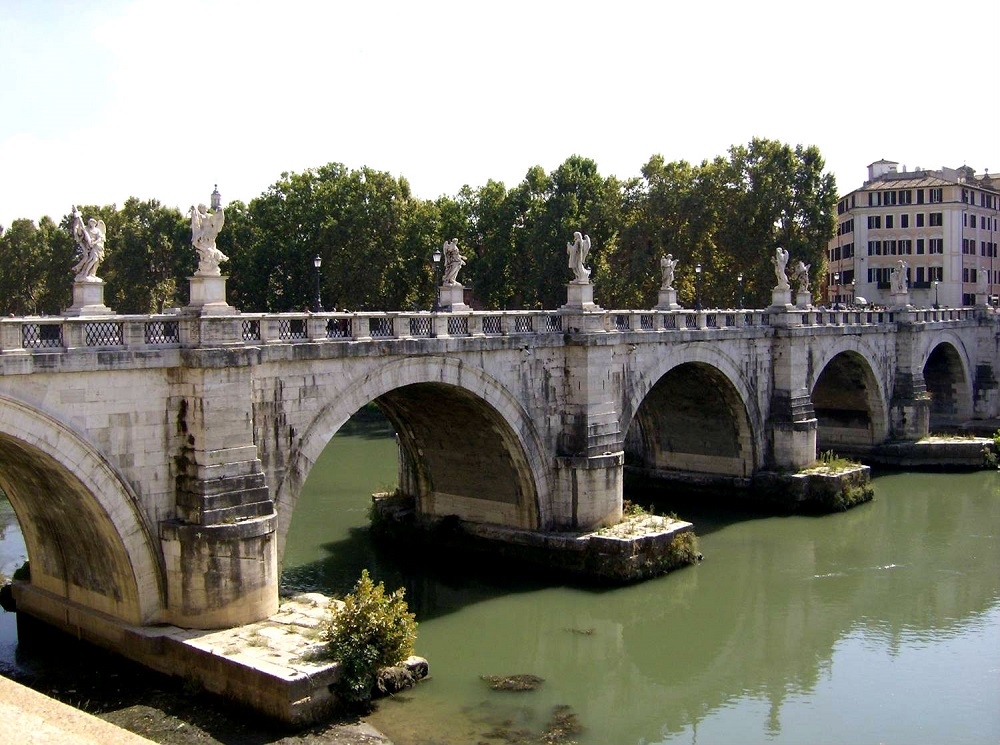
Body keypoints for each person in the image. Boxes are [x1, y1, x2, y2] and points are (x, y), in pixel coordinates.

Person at [70, 206, 107, 281]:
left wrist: (94, 242)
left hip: (97, 246)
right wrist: (80, 226)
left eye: (93, 222)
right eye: (90, 222)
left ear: (95, 223)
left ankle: (91, 273)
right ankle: (85, 272)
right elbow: (80, 234)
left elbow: (100, 238)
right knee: (90, 259)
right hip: (88, 246)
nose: (92, 223)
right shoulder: (86, 229)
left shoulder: (98, 230)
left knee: (95, 260)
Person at [190, 203, 227, 275]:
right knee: (205, 249)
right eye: (201, 208)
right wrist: (194, 209)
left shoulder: (209, 216)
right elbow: (197, 217)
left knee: (209, 249)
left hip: (209, 233)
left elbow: (216, 220)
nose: (202, 209)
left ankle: (210, 264)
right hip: (203, 234)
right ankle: (206, 264)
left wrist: (220, 212)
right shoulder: (201, 216)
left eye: (203, 208)